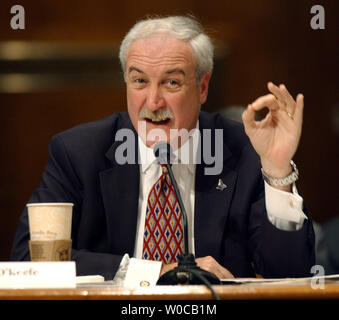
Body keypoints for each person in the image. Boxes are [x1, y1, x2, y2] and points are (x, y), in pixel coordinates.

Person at [11, 16, 315, 285]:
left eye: (171, 82)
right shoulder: (78, 153)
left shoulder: (245, 150)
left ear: (203, 87)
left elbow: (292, 276)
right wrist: (156, 272)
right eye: (140, 81)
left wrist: (277, 169)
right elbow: (30, 259)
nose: (153, 102)